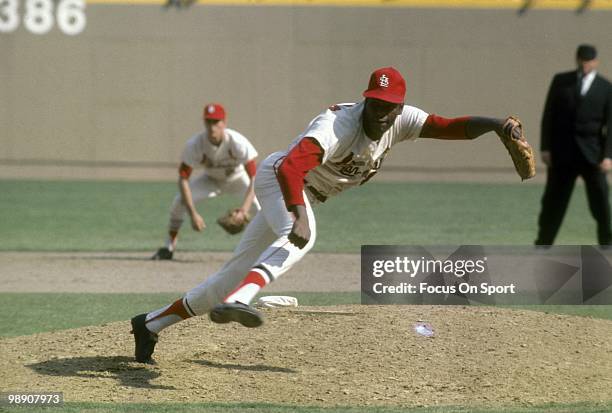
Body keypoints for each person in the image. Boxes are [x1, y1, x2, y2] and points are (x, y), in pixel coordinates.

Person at [131, 66, 523, 363]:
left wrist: (496, 126)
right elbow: (289, 168)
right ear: (365, 99)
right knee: (302, 237)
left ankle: (150, 324)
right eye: (374, 102)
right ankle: (243, 298)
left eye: (389, 107)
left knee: (225, 280)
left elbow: (445, 126)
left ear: (399, 107)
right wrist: (298, 213)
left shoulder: (401, 121)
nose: (381, 112)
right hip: (280, 182)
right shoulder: (336, 125)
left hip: (303, 193)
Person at [151, 103, 260, 260]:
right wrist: (193, 214)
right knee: (178, 202)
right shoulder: (195, 145)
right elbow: (183, 179)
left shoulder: (237, 142)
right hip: (211, 180)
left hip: (237, 178)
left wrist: (244, 210)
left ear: (224, 123)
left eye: (216, 122)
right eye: (208, 122)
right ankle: (168, 247)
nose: (212, 127)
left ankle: (267, 249)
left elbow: (254, 178)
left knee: (261, 206)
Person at [535, 44, 612, 246]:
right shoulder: (561, 82)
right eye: (583, 60)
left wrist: (608, 156)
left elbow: (610, 125)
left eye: (589, 60)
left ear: (596, 62)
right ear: (577, 59)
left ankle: (607, 244)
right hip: (563, 154)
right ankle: (543, 243)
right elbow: (548, 115)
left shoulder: (605, 87)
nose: (585, 64)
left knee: (601, 203)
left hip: (593, 155)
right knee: (553, 202)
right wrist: (546, 147)